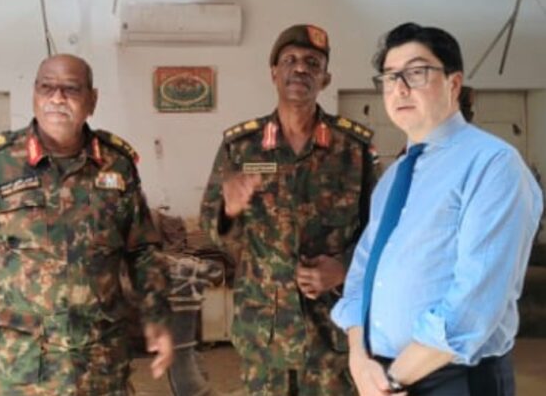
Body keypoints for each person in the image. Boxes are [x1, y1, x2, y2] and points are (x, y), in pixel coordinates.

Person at [0, 54, 174, 395]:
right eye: (46, 87)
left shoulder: (117, 166)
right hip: (17, 372)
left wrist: (157, 315)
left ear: (92, 100)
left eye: (71, 89)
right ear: (34, 95)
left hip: (99, 369)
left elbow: (142, 252)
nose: (57, 98)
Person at [331, 23, 543, 396]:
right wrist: (359, 360)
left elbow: (475, 302)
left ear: (454, 84)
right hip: (379, 374)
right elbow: (363, 273)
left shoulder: (492, 165)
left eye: (416, 72)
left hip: (453, 379)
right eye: (389, 77)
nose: (400, 88)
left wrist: (393, 380)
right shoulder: (394, 176)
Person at [200, 24, 377, 395]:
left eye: (312, 63)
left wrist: (344, 268)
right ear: (274, 73)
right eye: (290, 60)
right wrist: (228, 212)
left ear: (325, 78)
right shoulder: (241, 147)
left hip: (331, 334)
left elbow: (379, 233)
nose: (300, 69)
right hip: (265, 333)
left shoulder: (353, 149)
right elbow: (212, 230)